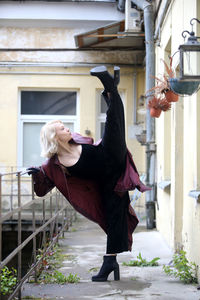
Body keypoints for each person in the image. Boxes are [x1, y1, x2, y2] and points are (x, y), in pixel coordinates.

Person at [27, 66, 150, 282]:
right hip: (109, 183)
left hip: (112, 155)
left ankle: (109, 85)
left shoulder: (75, 140)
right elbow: (42, 189)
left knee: (114, 124)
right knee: (113, 220)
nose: (67, 129)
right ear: (55, 138)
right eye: (62, 129)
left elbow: (101, 137)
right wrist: (36, 174)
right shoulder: (55, 164)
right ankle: (110, 262)